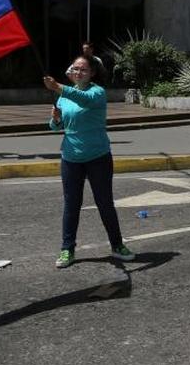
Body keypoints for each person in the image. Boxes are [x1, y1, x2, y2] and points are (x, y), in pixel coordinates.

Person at [42, 55, 133, 268]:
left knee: (105, 203)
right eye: (75, 69)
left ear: (92, 72)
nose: (78, 72)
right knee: (71, 205)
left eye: (83, 69)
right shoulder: (63, 96)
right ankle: (67, 249)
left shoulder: (97, 92)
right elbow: (57, 126)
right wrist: (55, 119)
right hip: (71, 157)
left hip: (98, 157)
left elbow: (85, 100)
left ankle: (117, 245)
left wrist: (58, 87)